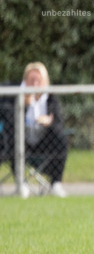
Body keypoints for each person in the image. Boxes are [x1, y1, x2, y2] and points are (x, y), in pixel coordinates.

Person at [16, 62, 69, 197]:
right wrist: (24, 106)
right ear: (25, 81)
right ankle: (21, 184)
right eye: (31, 80)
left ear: (45, 82)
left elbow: (59, 125)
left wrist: (49, 122)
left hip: (44, 144)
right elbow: (10, 124)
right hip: (21, 144)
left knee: (62, 138)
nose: (34, 84)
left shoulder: (51, 99)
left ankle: (56, 184)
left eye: (38, 80)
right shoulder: (16, 98)